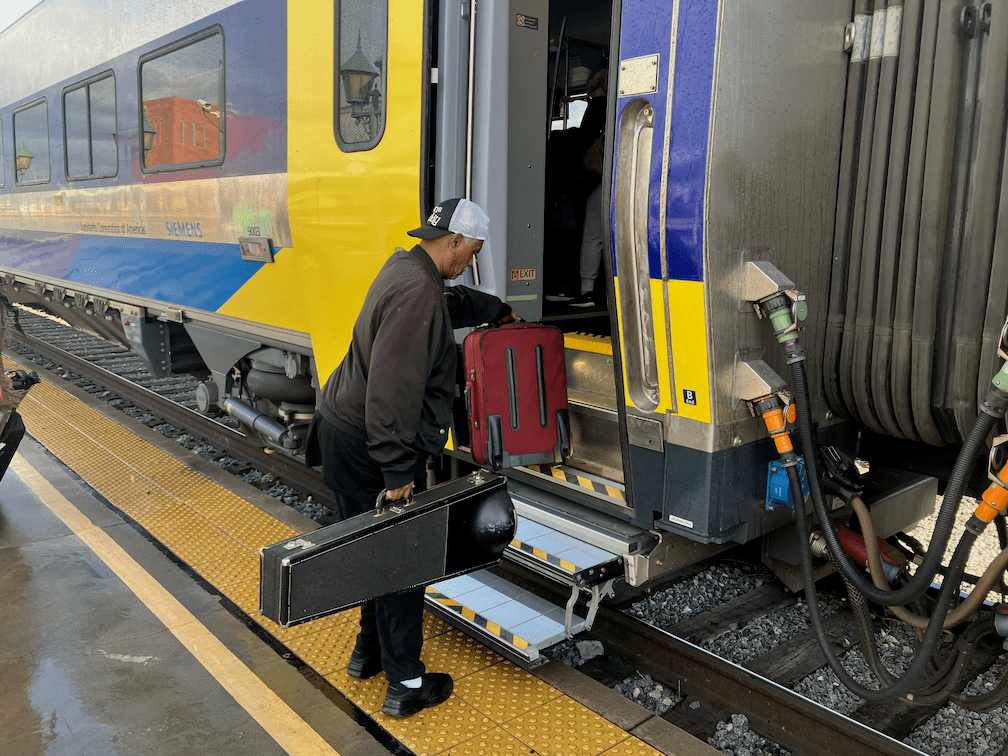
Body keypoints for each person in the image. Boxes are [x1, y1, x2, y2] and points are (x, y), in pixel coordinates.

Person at [305, 197, 515, 718]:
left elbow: (449, 304)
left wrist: (494, 311)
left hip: (344, 431)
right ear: (454, 243)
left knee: (368, 551)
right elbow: (392, 391)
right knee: (399, 562)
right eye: (472, 254)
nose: (471, 263)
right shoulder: (420, 292)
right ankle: (407, 685)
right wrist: (398, 471)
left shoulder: (406, 267)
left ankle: (367, 654)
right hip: (370, 445)